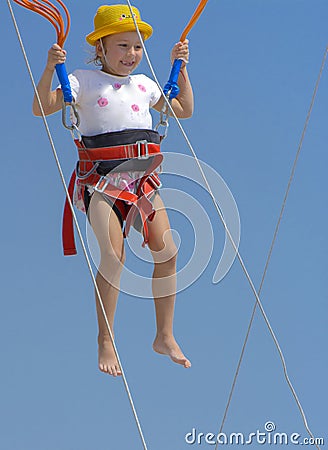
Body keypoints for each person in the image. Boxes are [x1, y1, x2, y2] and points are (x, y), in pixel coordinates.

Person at [33, 4, 194, 376]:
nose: (131, 55)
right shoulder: (83, 80)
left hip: (142, 181)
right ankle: (106, 339)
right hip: (102, 182)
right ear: (101, 48)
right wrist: (48, 68)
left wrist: (181, 71)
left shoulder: (146, 85)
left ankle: (164, 335)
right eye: (122, 46)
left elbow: (183, 109)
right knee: (114, 256)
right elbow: (41, 107)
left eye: (137, 47)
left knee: (167, 251)